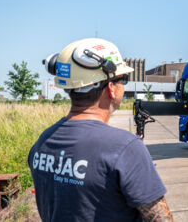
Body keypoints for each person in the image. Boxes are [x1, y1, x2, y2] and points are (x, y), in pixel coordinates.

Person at [29, 38, 173, 221]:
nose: (124, 84)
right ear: (111, 88)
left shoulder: (43, 141)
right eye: (124, 79)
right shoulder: (125, 147)